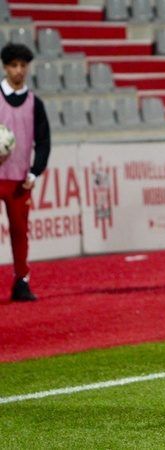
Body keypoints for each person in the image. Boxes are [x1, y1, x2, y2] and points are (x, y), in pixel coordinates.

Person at [0, 43, 50, 301]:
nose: (19, 71)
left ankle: (21, 282)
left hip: (20, 179)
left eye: (23, 65)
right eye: (13, 65)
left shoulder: (35, 104)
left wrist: (34, 172)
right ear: (5, 67)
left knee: (20, 232)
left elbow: (43, 142)